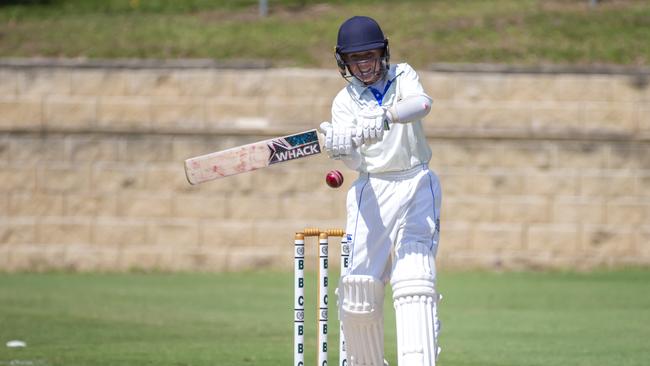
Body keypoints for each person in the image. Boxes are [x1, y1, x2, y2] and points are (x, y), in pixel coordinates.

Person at [320, 16, 442, 366]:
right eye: (355, 60)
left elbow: (422, 105)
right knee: (358, 290)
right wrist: (344, 149)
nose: (364, 65)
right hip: (372, 189)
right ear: (344, 63)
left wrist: (387, 116)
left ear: (383, 53)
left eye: (369, 56)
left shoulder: (404, 75)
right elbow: (356, 164)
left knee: (415, 279)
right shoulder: (344, 102)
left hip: (417, 183)